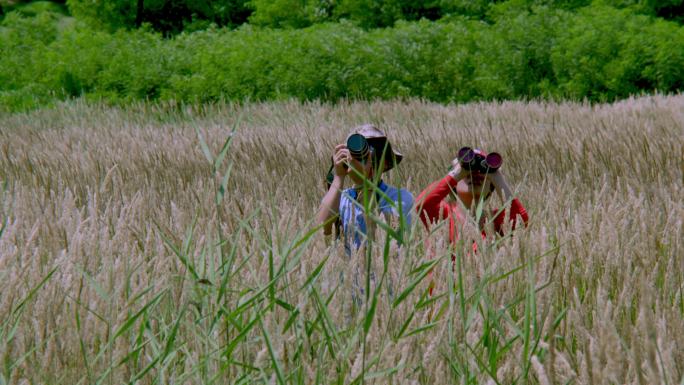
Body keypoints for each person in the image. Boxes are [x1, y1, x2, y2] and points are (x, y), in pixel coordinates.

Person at [316, 124, 414, 255]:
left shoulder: (400, 198)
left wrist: (364, 181)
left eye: (371, 155)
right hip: (346, 274)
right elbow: (320, 231)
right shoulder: (340, 197)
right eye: (357, 155)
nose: (364, 159)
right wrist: (338, 176)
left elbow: (380, 237)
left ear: (384, 163)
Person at [416, 147, 529, 257]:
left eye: (482, 176)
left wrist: (497, 177)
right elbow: (422, 205)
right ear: (453, 185)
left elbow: (521, 221)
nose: (475, 176)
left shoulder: (495, 221)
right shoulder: (444, 214)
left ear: (491, 188)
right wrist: (457, 172)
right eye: (467, 174)